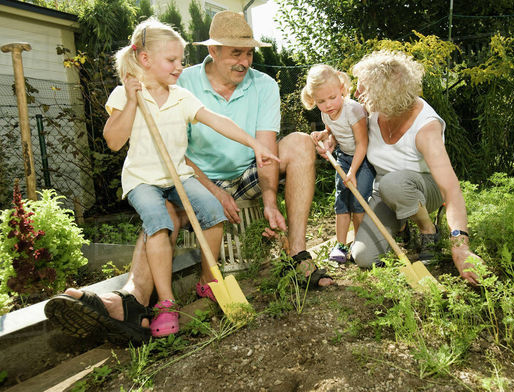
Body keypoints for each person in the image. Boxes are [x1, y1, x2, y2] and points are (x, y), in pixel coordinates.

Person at [45, 17, 279, 342]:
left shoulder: (181, 96)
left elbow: (217, 120)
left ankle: (209, 281)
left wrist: (255, 144)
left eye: (181, 60)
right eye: (171, 60)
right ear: (145, 59)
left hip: (178, 175)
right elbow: (113, 140)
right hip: (144, 180)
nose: (179, 67)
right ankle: (166, 302)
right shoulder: (124, 95)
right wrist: (131, 101)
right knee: (159, 223)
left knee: (213, 212)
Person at [175, 10, 334, 290]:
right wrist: (215, 192)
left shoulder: (264, 85)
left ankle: (297, 253)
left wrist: (270, 201)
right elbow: (176, 153)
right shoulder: (183, 84)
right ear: (213, 50)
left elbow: (267, 150)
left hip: (248, 175)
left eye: (249, 54)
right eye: (236, 53)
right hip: (198, 180)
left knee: (299, 142)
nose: (244, 62)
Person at [336, 50, 481, 284]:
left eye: (364, 88)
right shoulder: (372, 112)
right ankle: (402, 224)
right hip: (385, 191)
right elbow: (348, 130)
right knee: (363, 257)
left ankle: (427, 230)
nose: (356, 93)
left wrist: (460, 245)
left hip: (424, 188)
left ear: (387, 95)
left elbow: (451, 190)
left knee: (394, 183)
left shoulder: (426, 128)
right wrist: (327, 138)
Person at [302, 64, 374, 264]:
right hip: (343, 157)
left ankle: (359, 244)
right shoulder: (326, 112)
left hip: (363, 159)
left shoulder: (354, 110)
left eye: (332, 98)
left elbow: (362, 144)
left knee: (358, 201)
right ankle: (341, 245)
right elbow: (332, 130)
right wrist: (324, 135)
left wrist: (352, 172)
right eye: (321, 101)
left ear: (341, 89)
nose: (328, 105)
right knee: (342, 201)